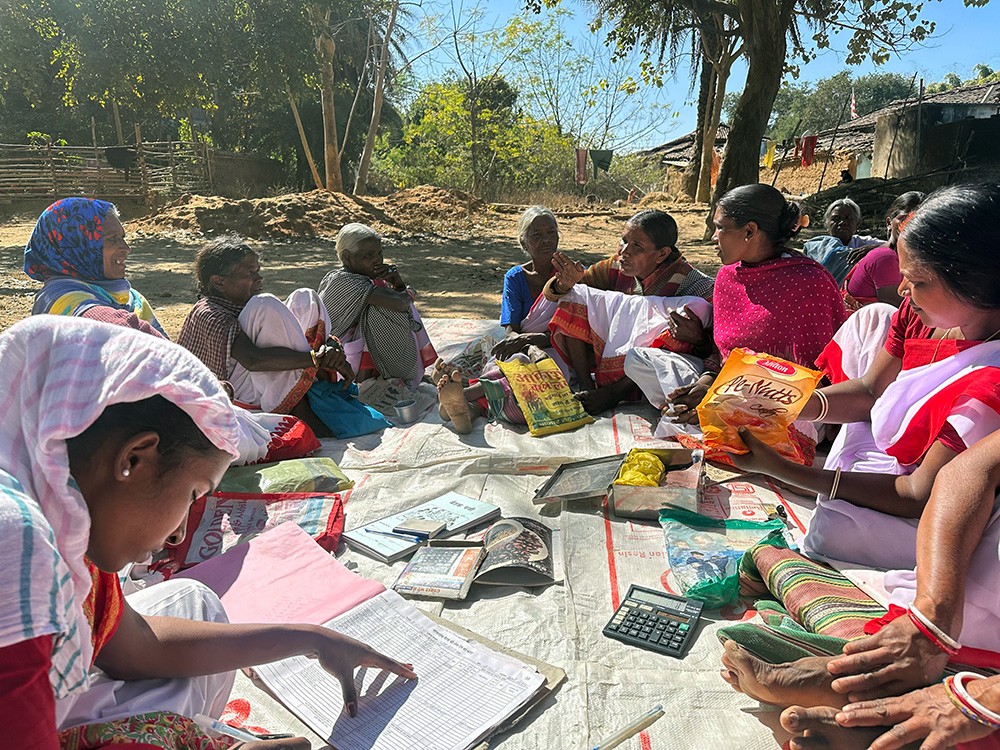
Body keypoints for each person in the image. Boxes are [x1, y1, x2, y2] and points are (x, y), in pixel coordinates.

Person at [0, 316, 415, 749]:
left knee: (196, 603)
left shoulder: (64, 514)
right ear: (133, 460)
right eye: (193, 494)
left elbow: (137, 647)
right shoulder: (16, 546)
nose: (179, 535)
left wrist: (312, 638)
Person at [725, 183, 1000, 572]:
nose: (903, 290)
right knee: (872, 321)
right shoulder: (914, 315)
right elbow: (872, 390)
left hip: (942, 499)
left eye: (918, 281)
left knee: (833, 530)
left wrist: (786, 471)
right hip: (900, 457)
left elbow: (916, 494)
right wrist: (784, 402)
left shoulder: (991, 378)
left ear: (976, 283)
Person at [722, 430, 1000, 750]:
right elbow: (970, 468)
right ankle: (886, 692)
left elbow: (916, 491)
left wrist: (983, 700)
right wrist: (934, 617)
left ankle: (896, 707)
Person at [658, 184, 848, 447]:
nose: (714, 237)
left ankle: (721, 424)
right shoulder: (726, 277)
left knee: (778, 423)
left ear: (750, 231)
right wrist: (707, 383)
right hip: (730, 387)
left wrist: (735, 400)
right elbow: (724, 354)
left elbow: (824, 373)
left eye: (721, 227)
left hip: (795, 403)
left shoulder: (809, 282)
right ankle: (713, 418)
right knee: (644, 362)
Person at [177, 236, 357, 439]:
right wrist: (317, 358)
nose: (259, 278)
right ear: (219, 282)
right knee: (265, 304)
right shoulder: (208, 313)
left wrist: (330, 346)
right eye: (250, 273)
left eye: (258, 271)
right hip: (232, 394)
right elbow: (253, 360)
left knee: (305, 297)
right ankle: (298, 407)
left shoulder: (242, 305)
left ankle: (306, 393)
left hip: (258, 383)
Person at [543, 208, 715, 415]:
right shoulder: (615, 267)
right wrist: (564, 283)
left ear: (662, 254)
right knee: (575, 296)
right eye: (623, 241)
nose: (623, 252)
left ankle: (613, 393)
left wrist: (699, 339)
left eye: (636, 246)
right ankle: (587, 388)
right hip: (615, 352)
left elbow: (715, 351)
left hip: (656, 368)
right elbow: (564, 294)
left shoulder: (696, 286)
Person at [318, 223, 437, 389]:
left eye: (379, 254)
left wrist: (397, 285)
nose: (377, 260)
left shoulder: (364, 279)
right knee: (382, 310)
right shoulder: (344, 281)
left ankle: (393, 372)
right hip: (335, 359)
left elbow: (399, 302)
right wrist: (408, 291)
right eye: (368, 255)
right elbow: (399, 303)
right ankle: (382, 376)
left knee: (386, 305)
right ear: (347, 257)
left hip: (347, 351)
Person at [24, 197, 165, 336]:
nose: (126, 248)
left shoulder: (129, 297)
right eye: (112, 239)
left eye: (123, 238)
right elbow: (114, 330)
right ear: (77, 246)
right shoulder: (62, 300)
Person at [491, 205, 560, 360]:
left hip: (560, 349)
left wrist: (530, 340)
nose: (546, 240)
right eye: (537, 235)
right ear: (524, 243)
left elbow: (573, 333)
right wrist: (530, 348)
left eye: (551, 233)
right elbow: (511, 331)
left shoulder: (569, 274)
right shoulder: (516, 278)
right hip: (524, 349)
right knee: (515, 362)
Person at [842, 191, 925, 310]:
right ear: (888, 223)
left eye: (919, 219)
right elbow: (899, 312)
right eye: (904, 218)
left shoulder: (900, 257)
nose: (910, 224)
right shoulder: (885, 258)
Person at [803, 198, 882, 286]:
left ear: (857, 224)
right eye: (836, 218)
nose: (843, 222)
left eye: (848, 218)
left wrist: (874, 249)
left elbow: (894, 245)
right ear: (827, 223)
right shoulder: (816, 248)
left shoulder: (864, 244)